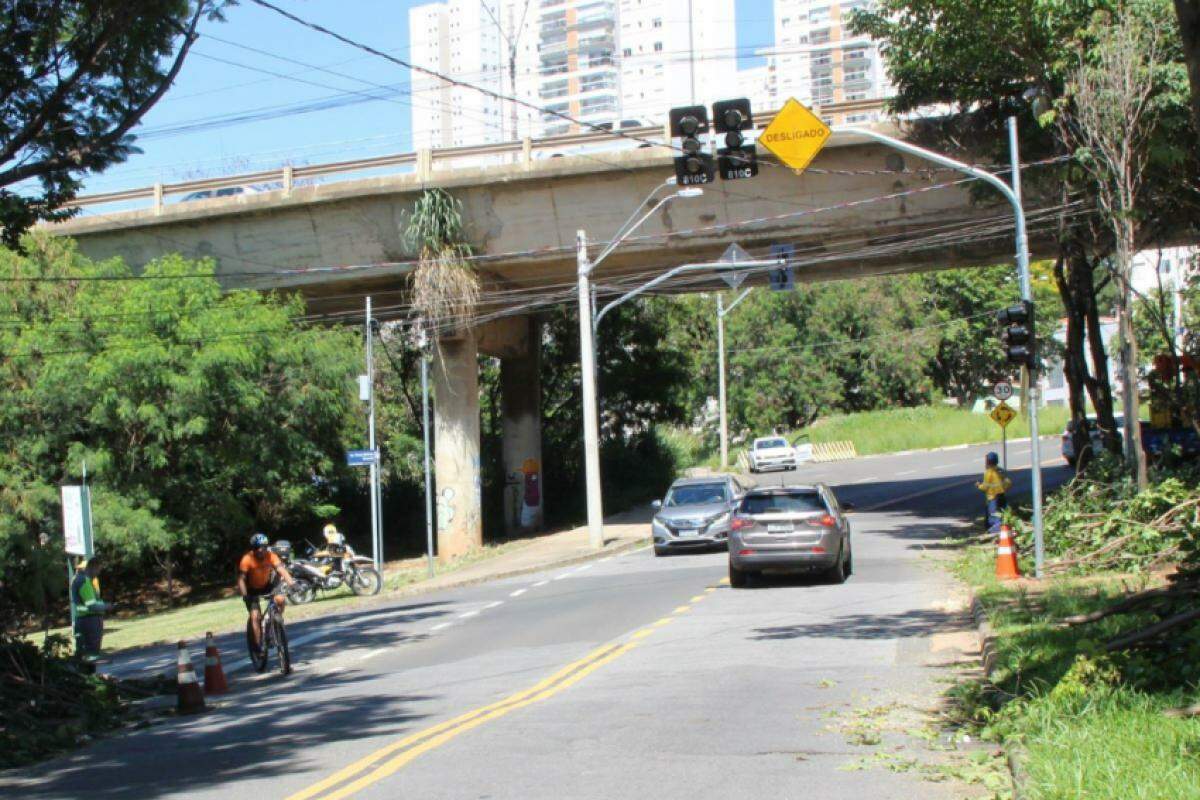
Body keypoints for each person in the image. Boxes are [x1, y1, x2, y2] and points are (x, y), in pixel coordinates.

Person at [237, 533, 296, 650]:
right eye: (257, 547)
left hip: (267, 585)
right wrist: (245, 595)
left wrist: (292, 584)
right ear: (253, 549)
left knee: (280, 599)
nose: (261, 550)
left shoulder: (271, 556)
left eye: (263, 547)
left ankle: (273, 621)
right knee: (255, 616)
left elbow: (281, 570)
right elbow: (241, 579)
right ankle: (259, 645)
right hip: (251, 588)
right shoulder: (247, 559)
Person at [71, 556, 107, 658]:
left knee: (82, 651)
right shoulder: (84, 581)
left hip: (81, 619)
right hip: (90, 620)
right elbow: (92, 605)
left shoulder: (76, 580)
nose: (98, 573)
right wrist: (106, 607)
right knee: (91, 653)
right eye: (98, 569)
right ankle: (88, 673)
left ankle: (83, 671)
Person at [976, 451, 1012, 533]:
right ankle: (1004, 527)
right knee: (1003, 513)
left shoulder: (988, 473)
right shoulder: (1001, 471)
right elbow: (1009, 483)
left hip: (993, 498)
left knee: (994, 516)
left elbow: (985, 487)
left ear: (988, 462)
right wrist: (1003, 489)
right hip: (1002, 495)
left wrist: (978, 485)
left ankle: (996, 531)